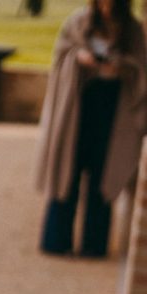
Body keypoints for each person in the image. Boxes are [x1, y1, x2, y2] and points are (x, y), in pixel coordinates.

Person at [36, 0, 147, 257]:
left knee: (102, 175)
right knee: (68, 172)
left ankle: (94, 245)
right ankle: (56, 240)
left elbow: (141, 69)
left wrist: (121, 67)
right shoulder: (78, 22)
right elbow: (61, 56)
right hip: (79, 107)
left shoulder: (132, 31)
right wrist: (79, 59)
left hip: (113, 110)